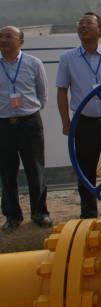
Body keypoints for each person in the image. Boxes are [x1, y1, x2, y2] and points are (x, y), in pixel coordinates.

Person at [57, 13, 101, 219]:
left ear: (100, 30)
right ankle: (88, 214)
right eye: (80, 23)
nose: (83, 26)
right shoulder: (68, 58)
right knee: (85, 170)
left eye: (88, 23)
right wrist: (66, 122)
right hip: (84, 124)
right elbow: (62, 91)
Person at [0, 26, 51, 231]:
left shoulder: (33, 63)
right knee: (6, 172)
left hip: (29, 123)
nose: (3, 40)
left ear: (20, 41)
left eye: (8, 36)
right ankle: (12, 216)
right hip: (3, 124)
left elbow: (42, 93)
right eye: (1, 36)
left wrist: (28, 111)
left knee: (35, 169)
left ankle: (40, 213)